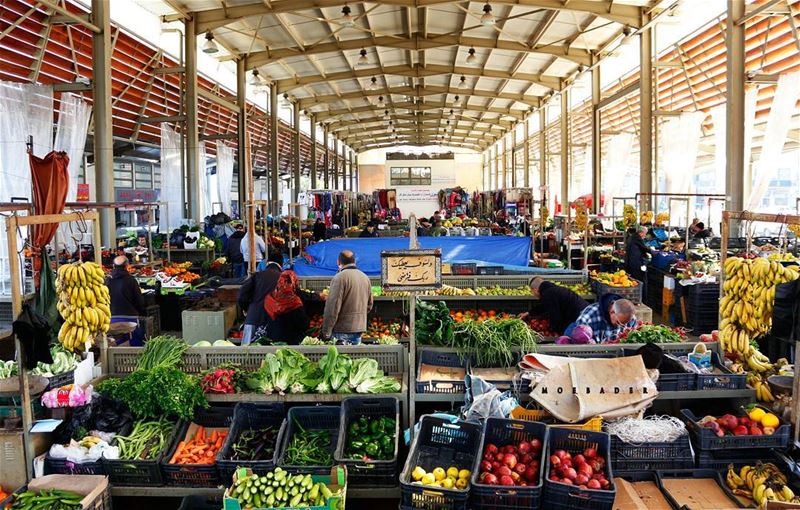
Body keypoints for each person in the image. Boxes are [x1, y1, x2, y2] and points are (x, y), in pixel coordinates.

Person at [321, 250, 373, 345]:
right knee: (355, 359)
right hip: (358, 330)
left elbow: (333, 307)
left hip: (341, 330)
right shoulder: (365, 278)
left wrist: (326, 332)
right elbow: (369, 305)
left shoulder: (339, 278)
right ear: (354, 261)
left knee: (341, 359)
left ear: (338, 262)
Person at [238, 249, 283, 345]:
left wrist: (246, 308)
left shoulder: (257, 275)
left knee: (247, 354)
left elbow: (242, 294)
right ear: (281, 265)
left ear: (267, 263)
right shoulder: (282, 278)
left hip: (253, 318)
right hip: (274, 322)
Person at [520, 277, 589, 335]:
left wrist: (554, 331)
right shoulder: (551, 290)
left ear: (535, 290)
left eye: (532, 292)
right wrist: (529, 313)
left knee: (572, 338)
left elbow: (555, 315)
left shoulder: (548, 294)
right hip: (586, 312)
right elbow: (544, 306)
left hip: (579, 318)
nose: (533, 294)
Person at [106, 255, 146, 346]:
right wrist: (140, 311)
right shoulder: (131, 280)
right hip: (130, 319)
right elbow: (140, 301)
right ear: (127, 266)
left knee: (116, 340)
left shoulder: (107, 280)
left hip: (111, 318)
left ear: (113, 266)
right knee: (135, 340)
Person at [565, 294, 637, 343]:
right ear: (612, 312)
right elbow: (579, 340)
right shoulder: (589, 316)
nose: (620, 326)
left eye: (624, 324)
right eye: (618, 322)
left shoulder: (630, 317)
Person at [264, 270, 310, 345]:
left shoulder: (269, 299)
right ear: (294, 283)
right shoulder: (295, 302)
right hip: (292, 342)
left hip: (273, 341)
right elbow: (303, 324)